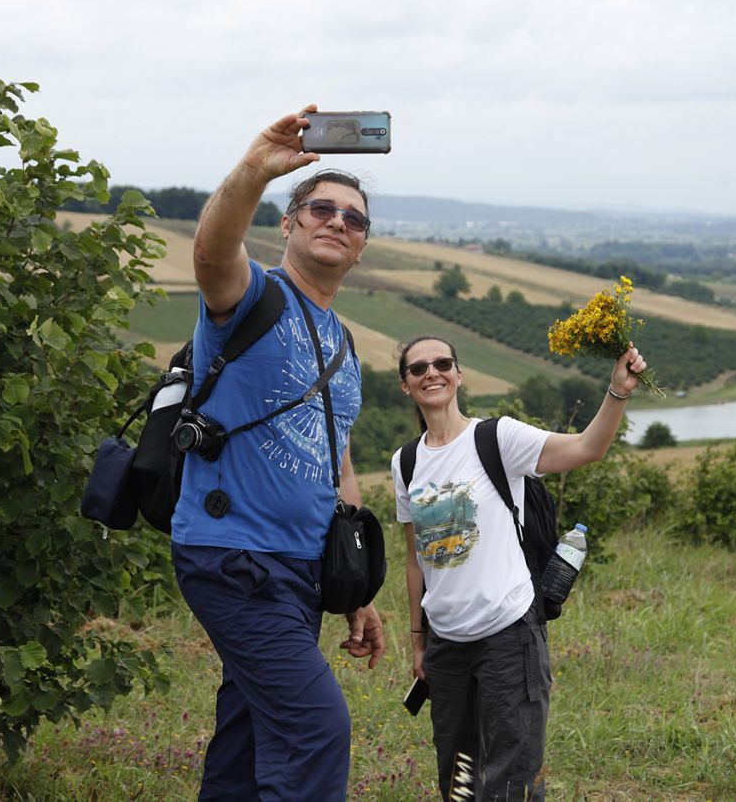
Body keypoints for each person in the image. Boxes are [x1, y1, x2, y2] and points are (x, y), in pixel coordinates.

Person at [171, 104, 385, 800]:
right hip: (235, 554)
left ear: (360, 247)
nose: (337, 221)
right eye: (321, 208)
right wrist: (257, 167)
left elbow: (338, 462)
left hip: (296, 569)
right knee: (317, 727)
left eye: (353, 218)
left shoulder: (346, 348)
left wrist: (357, 586)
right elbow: (210, 251)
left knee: (250, 738)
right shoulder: (253, 297)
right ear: (288, 224)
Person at [390, 335, 646, 800]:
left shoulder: (497, 438)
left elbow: (587, 448)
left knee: (511, 780)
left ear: (459, 374)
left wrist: (618, 391)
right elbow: (415, 559)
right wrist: (418, 639)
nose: (432, 372)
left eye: (442, 363)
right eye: (418, 368)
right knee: (459, 780)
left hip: (507, 635)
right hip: (446, 646)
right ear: (406, 385)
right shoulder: (406, 462)